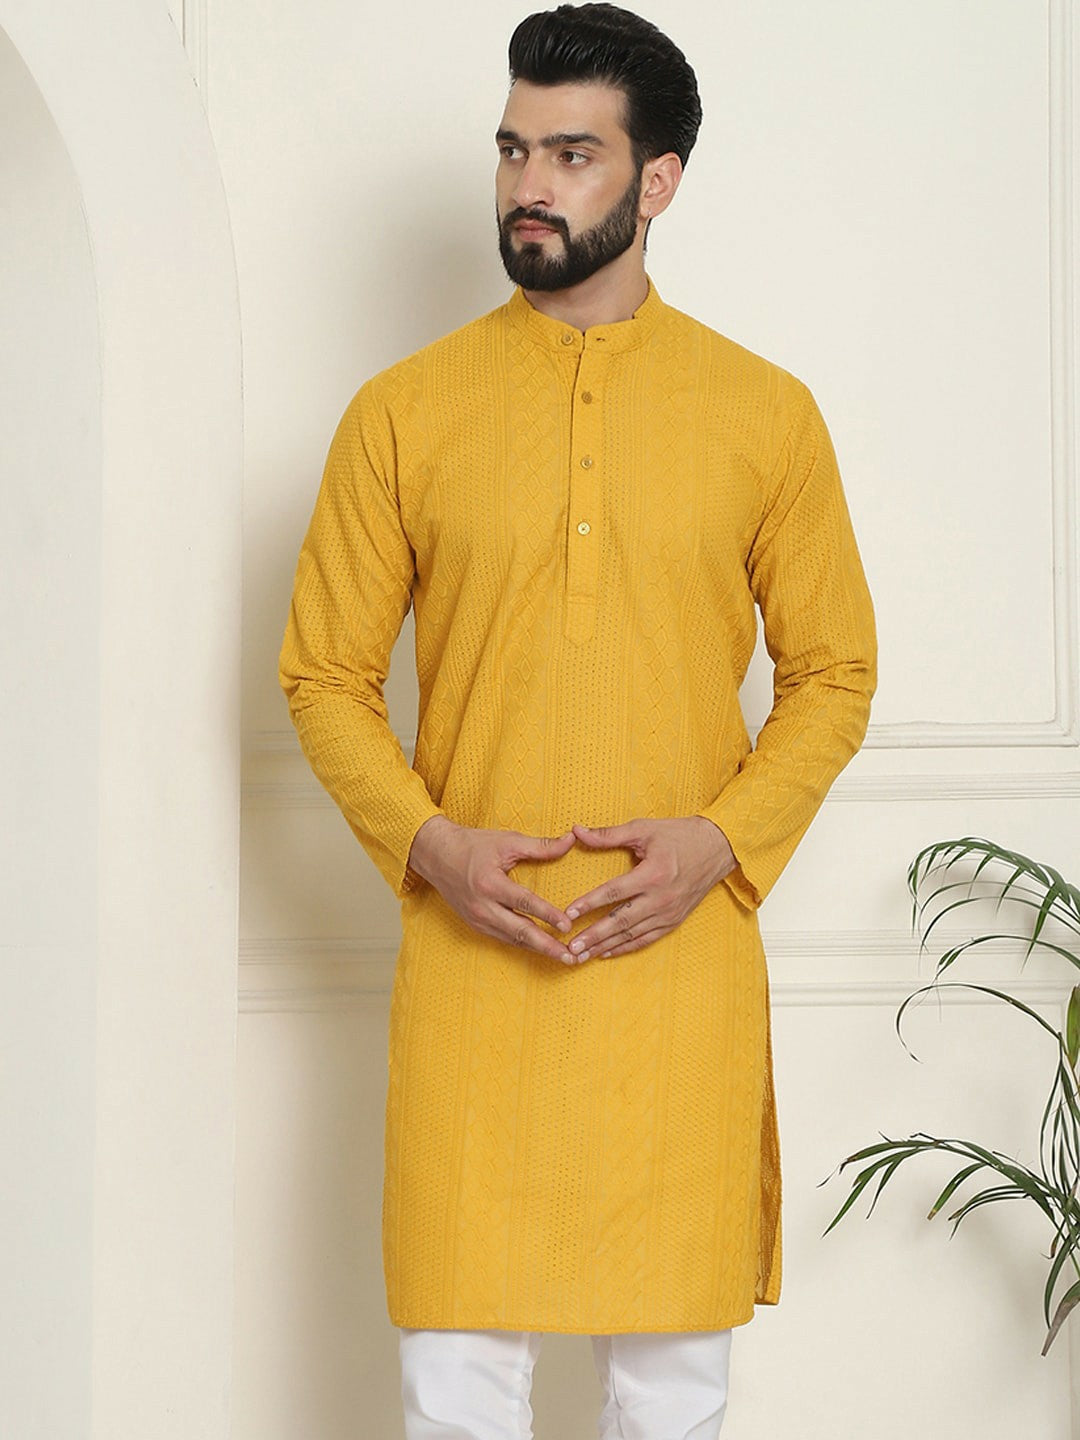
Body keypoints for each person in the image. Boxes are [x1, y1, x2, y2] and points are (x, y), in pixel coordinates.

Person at [278, 3, 877, 1436]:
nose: (528, 185)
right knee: (455, 1388)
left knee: (673, 1392)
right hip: (475, 974)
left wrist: (719, 843)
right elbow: (322, 674)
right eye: (512, 150)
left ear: (656, 180)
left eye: (571, 153)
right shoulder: (403, 412)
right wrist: (431, 846)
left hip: (677, 973)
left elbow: (836, 673)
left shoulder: (764, 415)